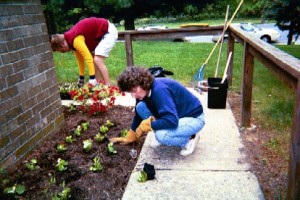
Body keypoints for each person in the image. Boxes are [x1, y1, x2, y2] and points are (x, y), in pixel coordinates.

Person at [110, 66, 205, 156]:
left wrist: (149, 125)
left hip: (194, 118)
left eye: (134, 91)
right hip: (177, 115)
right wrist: (132, 133)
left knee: (161, 135)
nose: (133, 95)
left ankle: (190, 139)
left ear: (142, 82)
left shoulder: (159, 90)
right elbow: (138, 115)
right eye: (130, 92)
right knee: (140, 107)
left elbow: (172, 121)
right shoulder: (144, 91)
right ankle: (175, 133)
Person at [50, 17, 118, 86]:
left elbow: (88, 58)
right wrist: (81, 78)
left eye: (63, 51)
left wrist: (92, 78)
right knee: (95, 61)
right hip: (103, 33)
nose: (65, 52)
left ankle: (108, 86)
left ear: (63, 44)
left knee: (97, 60)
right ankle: (97, 85)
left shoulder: (75, 40)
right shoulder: (71, 41)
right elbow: (80, 60)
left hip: (108, 30)